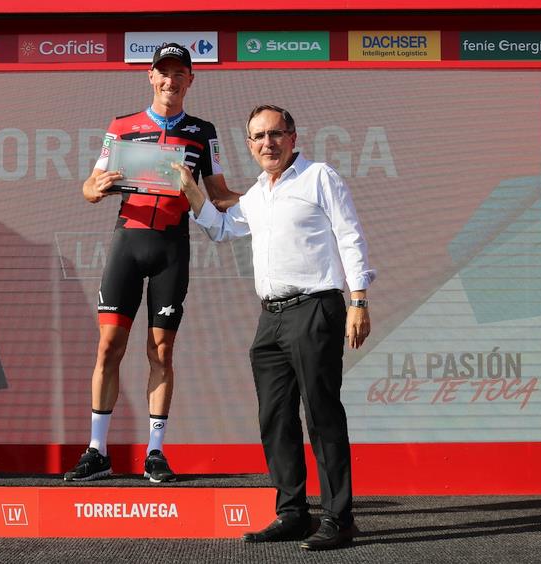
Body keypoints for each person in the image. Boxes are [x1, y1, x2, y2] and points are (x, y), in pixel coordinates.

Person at [174, 105, 376, 550]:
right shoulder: (257, 194)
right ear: (249, 145)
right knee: (275, 417)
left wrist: (358, 299)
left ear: (292, 136)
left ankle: (339, 518)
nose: (268, 143)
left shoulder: (319, 177)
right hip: (271, 318)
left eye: (275, 134)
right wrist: (193, 195)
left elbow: (350, 236)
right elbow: (224, 230)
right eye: (258, 137)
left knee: (321, 415)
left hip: (316, 307)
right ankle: (292, 514)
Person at [64, 43, 239, 483]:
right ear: (151, 76)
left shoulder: (203, 131)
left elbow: (218, 194)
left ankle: (155, 452)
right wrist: (96, 186)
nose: (171, 80)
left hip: (171, 249)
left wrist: (275, 193)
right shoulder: (122, 127)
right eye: (164, 72)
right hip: (129, 242)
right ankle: (97, 450)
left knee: (161, 351)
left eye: (180, 73)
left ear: (190, 81)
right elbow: (88, 188)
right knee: (109, 347)